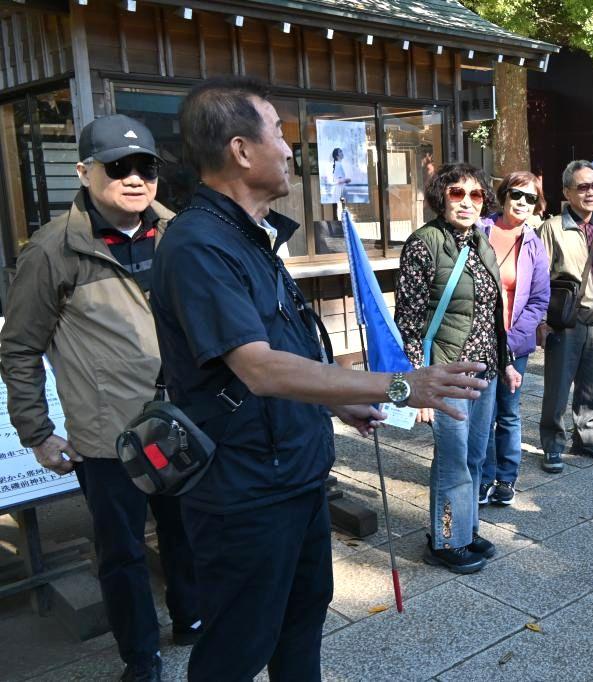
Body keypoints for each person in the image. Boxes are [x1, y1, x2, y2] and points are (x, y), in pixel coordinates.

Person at [151, 76, 489, 680]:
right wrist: (396, 385)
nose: (289, 149)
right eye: (279, 133)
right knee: (239, 644)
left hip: (295, 472)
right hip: (245, 489)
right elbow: (256, 366)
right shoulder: (199, 244)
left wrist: (336, 405)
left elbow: (287, 346)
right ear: (240, 149)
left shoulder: (249, 235)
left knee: (302, 618)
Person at [0, 115, 198, 682]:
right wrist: (36, 432)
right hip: (108, 436)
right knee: (122, 552)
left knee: (186, 530)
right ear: (85, 172)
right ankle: (140, 655)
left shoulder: (179, 232)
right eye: (119, 167)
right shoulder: (52, 251)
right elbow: (18, 349)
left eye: (146, 167)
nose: (135, 178)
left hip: (181, 423)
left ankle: (191, 617)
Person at [395, 162, 522, 572]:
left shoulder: (480, 242)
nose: (466, 202)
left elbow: (491, 311)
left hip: (482, 371)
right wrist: (417, 386)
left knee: (473, 460)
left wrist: (504, 364)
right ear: (440, 198)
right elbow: (409, 322)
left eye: (475, 195)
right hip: (445, 374)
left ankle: (464, 530)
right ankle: (446, 539)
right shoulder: (423, 243)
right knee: (452, 461)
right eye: (456, 194)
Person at [537, 160, 593, 473]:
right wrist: (542, 321)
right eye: (582, 187)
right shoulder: (552, 228)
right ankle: (552, 444)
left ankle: (586, 438)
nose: (591, 192)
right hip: (567, 320)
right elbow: (539, 276)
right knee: (558, 386)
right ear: (567, 192)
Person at [478, 172, 550, 507]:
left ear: (537, 204)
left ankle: (506, 478)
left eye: (530, 197)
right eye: (516, 194)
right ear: (504, 196)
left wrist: (514, 339)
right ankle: (483, 474)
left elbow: (538, 300)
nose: (522, 202)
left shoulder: (534, 244)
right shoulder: (479, 232)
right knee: (482, 412)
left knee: (508, 410)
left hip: (514, 342)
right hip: (477, 339)